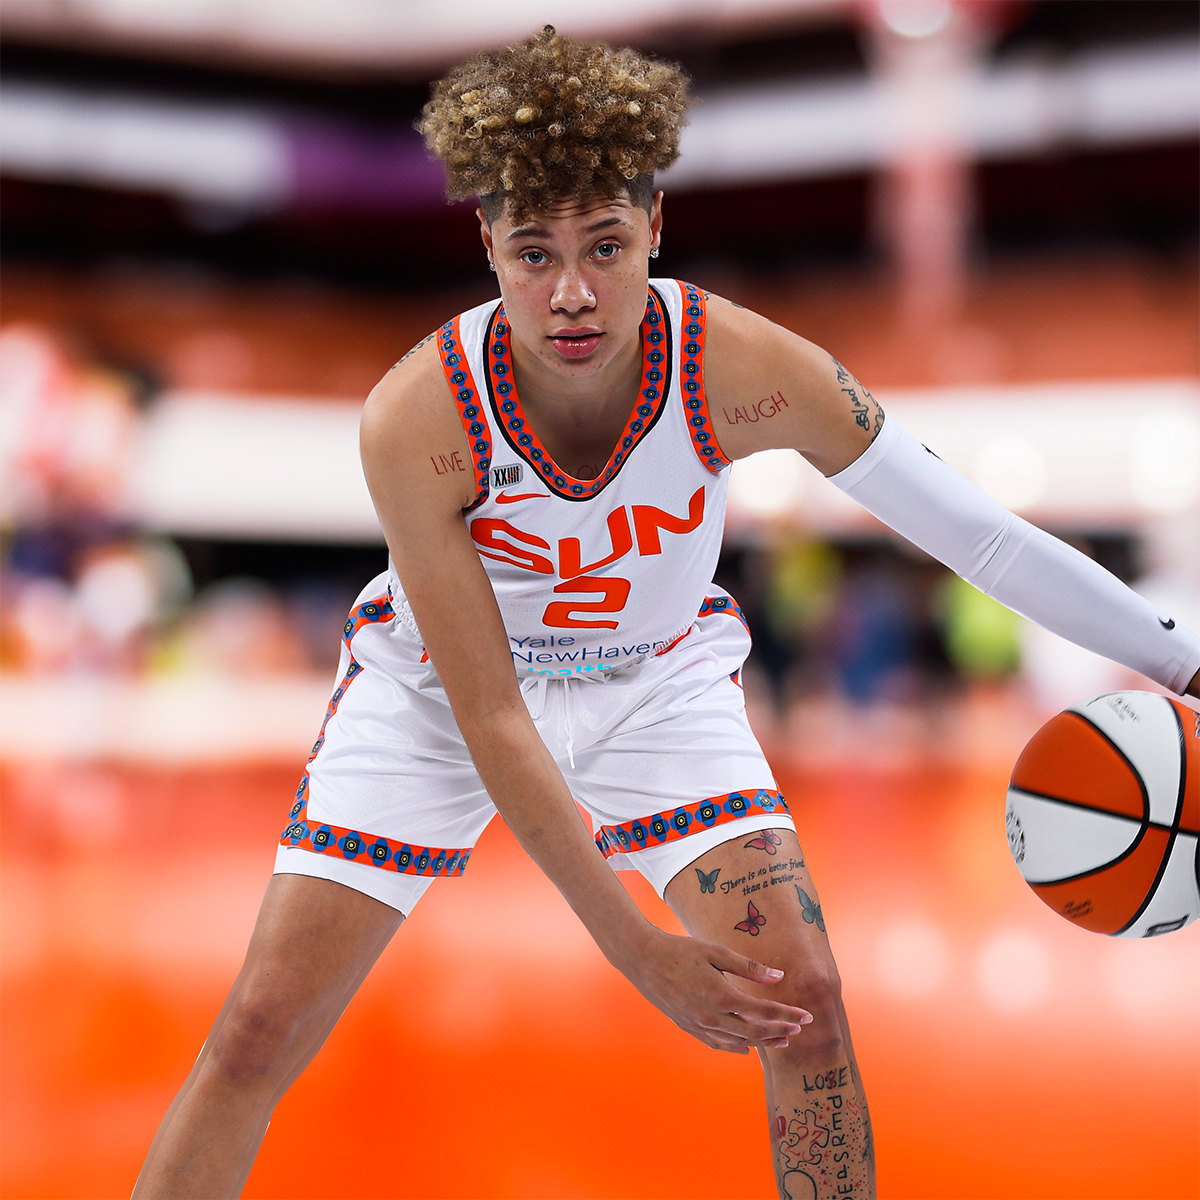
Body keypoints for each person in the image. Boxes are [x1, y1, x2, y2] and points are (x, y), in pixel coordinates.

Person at [132, 27, 1200, 1200]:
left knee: (810, 1011)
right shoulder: (416, 417)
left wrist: (1188, 668)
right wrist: (631, 944)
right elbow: (492, 716)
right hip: (435, 698)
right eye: (534, 252)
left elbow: (980, 536)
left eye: (605, 244)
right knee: (254, 1032)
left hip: (655, 679)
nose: (573, 291)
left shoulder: (744, 365)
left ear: (656, 230)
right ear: (485, 240)